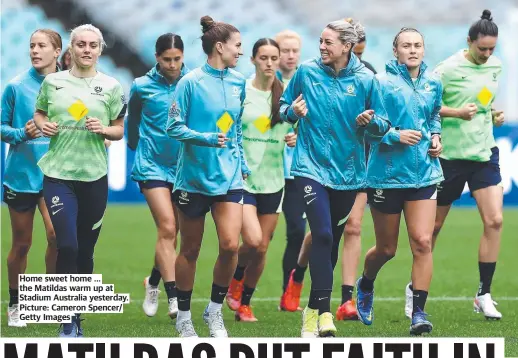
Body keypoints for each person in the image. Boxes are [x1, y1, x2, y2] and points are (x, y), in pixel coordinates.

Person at [280, 18, 388, 337]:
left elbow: (383, 125)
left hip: (350, 174)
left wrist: (371, 122)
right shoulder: (307, 72)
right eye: (321, 41)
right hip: (309, 166)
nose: (322, 46)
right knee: (323, 234)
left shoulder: (368, 80)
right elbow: (284, 105)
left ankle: (312, 310)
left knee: (332, 241)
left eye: (328, 42)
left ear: (346, 46)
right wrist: (292, 114)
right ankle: (325, 313)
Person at [33, 24, 126, 337]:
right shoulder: (53, 82)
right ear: (71, 50)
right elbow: (40, 114)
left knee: (85, 250)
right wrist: (43, 125)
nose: (87, 50)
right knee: (67, 244)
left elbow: (119, 129)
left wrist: (103, 129)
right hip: (58, 175)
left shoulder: (112, 86)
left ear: (100, 50)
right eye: (81, 44)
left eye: (93, 45)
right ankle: (67, 319)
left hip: (94, 176)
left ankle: (76, 311)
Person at [355, 27, 443, 336]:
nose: (413, 50)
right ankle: (366, 283)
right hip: (387, 175)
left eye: (418, 45)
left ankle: (419, 312)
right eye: (406, 45)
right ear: (396, 51)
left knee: (422, 241)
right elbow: (366, 128)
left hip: (425, 173)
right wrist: (395, 135)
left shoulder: (434, 82)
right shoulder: (379, 83)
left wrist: (436, 136)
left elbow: (433, 116)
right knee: (387, 249)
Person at [166, 15, 249, 338]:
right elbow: (173, 127)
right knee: (190, 249)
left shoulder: (239, 81)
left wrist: (240, 160)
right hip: (194, 179)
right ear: (220, 47)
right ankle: (183, 317)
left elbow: (236, 125)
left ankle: (214, 312)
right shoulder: (190, 83)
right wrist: (206, 138)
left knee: (230, 246)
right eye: (237, 45)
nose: (240, 52)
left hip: (229, 177)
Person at [421, 9, 504, 320]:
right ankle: (416, 289)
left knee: (495, 220)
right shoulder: (447, 70)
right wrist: (456, 113)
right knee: (433, 229)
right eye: (481, 48)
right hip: (449, 157)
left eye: (491, 49)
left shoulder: (495, 66)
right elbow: (425, 106)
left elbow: (483, 96)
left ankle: (483, 293)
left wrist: (490, 111)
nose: (486, 54)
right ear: (469, 42)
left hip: (484, 153)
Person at [225, 38, 297, 321]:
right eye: (263, 58)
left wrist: (294, 136)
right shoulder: (240, 91)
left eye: (273, 58)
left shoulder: (287, 95)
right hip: (243, 178)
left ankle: (244, 303)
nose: (269, 63)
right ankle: (235, 280)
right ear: (253, 59)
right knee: (253, 241)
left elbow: (297, 128)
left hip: (274, 179)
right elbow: (225, 125)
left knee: (263, 246)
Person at [1, 29, 61, 328]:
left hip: (56, 175)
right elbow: (2, 128)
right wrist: (22, 133)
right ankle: (16, 303)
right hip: (22, 176)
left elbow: (76, 120)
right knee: (22, 244)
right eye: (31, 46)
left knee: (56, 237)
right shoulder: (15, 87)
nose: (35, 51)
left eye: (41, 46)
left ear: (57, 51)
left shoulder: (68, 87)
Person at [126, 33, 188, 320]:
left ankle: (153, 281)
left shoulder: (193, 83)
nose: (172, 65)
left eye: (177, 59)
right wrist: (136, 146)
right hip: (151, 166)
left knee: (174, 232)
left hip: (183, 167)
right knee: (166, 226)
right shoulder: (141, 87)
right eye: (167, 60)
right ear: (156, 58)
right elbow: (134, 120)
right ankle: (172, 296)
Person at [273, 30, 308, 312]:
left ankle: (289, 290)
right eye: (285, 50)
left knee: (297, 231)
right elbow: (254, 123)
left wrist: (301, 134)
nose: (291, 55)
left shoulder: (306, 82)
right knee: (257, 239)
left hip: (296, 170)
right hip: (266, 169)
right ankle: (242, 292)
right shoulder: (263, 84)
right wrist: (279, 133)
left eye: (295, 50)